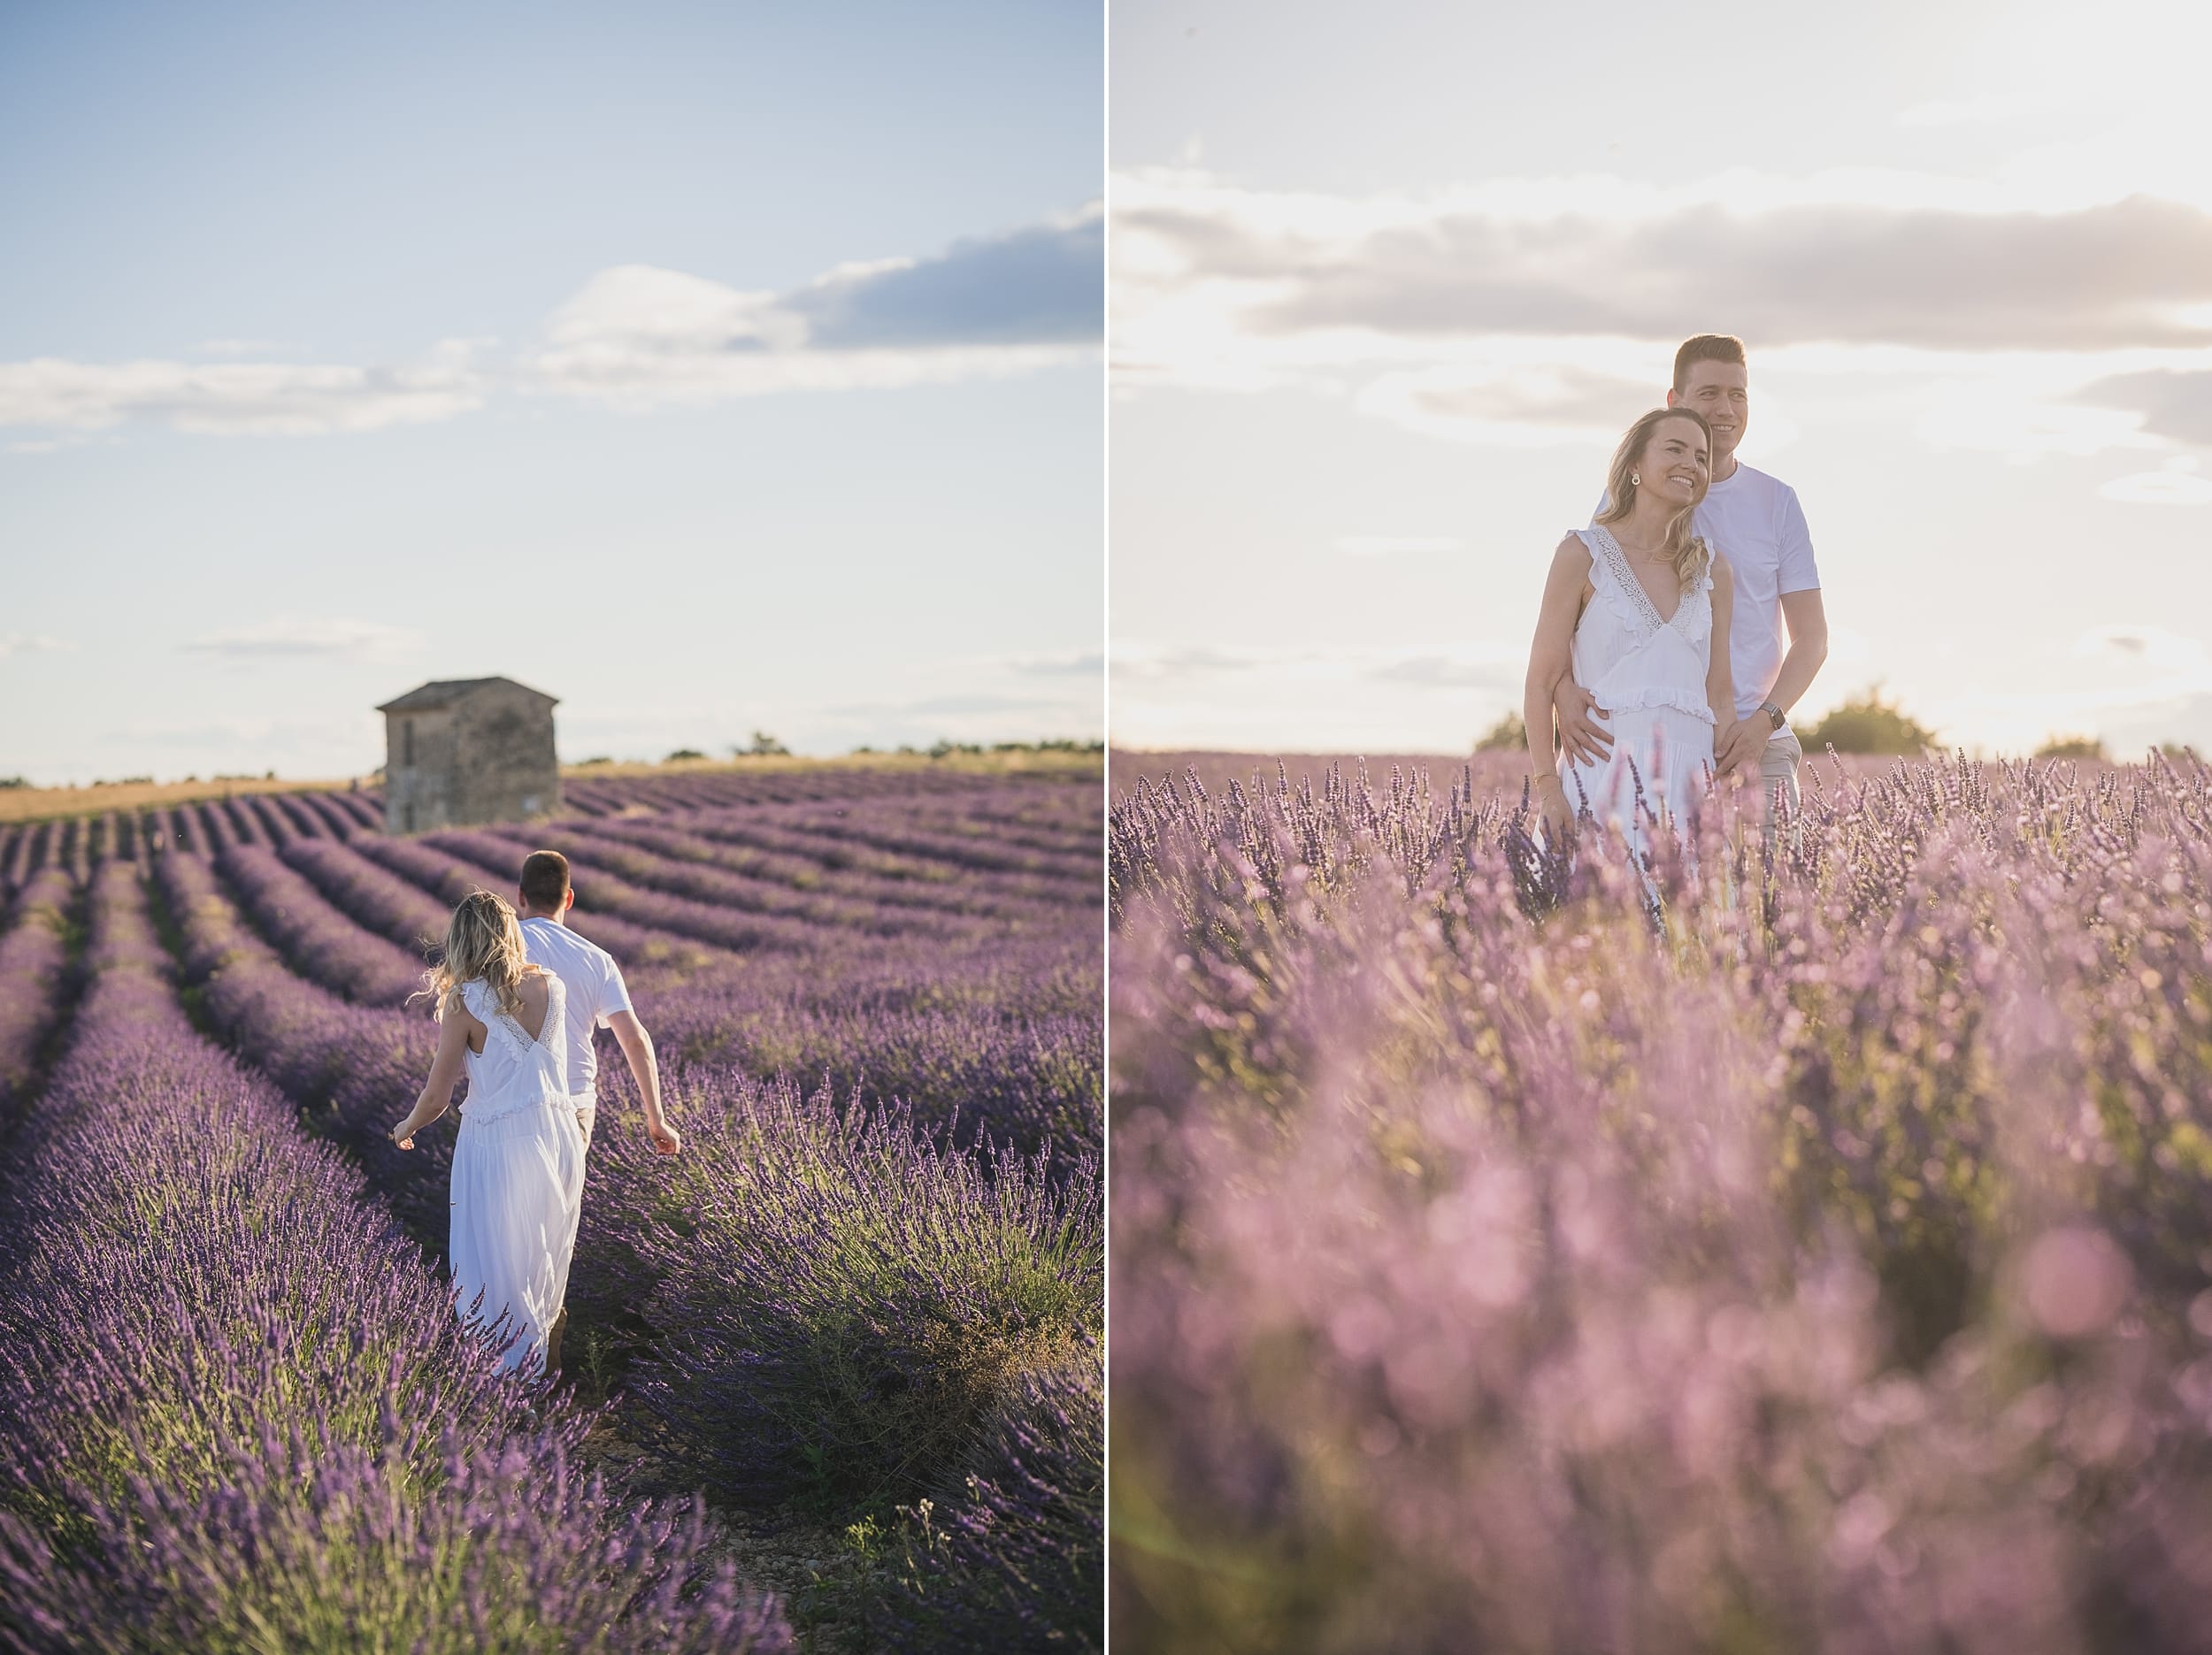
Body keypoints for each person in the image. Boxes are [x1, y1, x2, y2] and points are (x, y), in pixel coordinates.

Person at [1553, 335, 1829, 824]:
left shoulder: (1778, 502)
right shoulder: (1626, 503)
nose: (1725, 409)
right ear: (1673, 402)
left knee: (1768, 898)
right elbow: (1587, 612)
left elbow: (1812, 639)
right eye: (1709, 393)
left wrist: (1762, 726)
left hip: (1752, 742)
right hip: (1649, 742)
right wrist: (1560, 690)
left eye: (1738, 394)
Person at [389, 891, 585, 1378]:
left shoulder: (466, 1001)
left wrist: (406, 1126)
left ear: (462, 939)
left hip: (499, 1144)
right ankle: (542, 1373)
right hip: (559, 1135)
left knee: (498, 1271)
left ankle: (511, 1386)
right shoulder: (552, 986)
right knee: (545, 1260)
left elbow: (437, 1098)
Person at [1524, 407, 1737, 853]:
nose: (1691, 465)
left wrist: (1727, 804)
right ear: (1635, 465)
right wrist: (1548, 790)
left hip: (1689, 791)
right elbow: (1542, 681)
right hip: (1598, 779)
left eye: (1701, 457)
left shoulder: (1714, 570)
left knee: (1687, 923)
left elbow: (1718, 695)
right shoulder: (1582, 554)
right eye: (1674, 449)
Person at [511, 848, 680, 1370]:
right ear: (570, 898)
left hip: (511, 1103)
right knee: (556, 1232)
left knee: (510, 1228)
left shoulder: (503, 947)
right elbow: (634, 1039)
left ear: (519, 898)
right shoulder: (595, 958)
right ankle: (547, 1356)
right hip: (574, 1107)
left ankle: (508, 1356)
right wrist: (655, 1116)